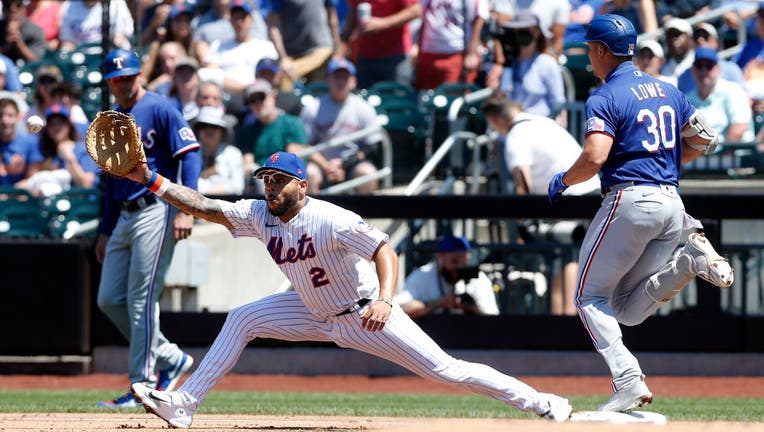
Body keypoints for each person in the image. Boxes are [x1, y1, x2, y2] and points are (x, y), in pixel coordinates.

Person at [123, 150, 573, 428]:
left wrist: (384, 299)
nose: (270, 187)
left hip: (361, 314)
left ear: (301, 184)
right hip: (311, 310)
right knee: (244, 317)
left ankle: (540, 401)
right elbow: (203, 205)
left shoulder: (330, 218)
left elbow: (385, 251)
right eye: (265, 179)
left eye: (278, 180)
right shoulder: (260, 214)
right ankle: (185, 403)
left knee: (447, 371)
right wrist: (149, 177)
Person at [547, 14, 734, 412]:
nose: (587, 58)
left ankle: (628, 380)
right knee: (624, 311)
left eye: (589, 50)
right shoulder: (668, 89)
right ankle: (688, 262)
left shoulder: (605, 95)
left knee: (586, 297)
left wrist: (564, 180)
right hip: (672, 206)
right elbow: (706, 138)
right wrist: (665, 159)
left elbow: (595, 155)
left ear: (600, 50)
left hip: (631, 200)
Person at [95, 48, 199, 408]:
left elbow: (190, 153)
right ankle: (170, 357)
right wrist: (105, 231)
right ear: (109, 82)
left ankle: (142, 385)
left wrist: (188, 208)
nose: (124, 83)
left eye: (129, 76)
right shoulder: (111, 119)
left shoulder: (160, 107)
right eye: (116, 79)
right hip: (123, 214)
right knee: (108, 299)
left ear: (139, 74)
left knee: (142, 301)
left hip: (157, 207)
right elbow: (109, 182)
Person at [482, 92, 599, 316]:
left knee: (564, 256)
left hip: (571, 197)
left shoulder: (516, 135)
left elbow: (522, 185)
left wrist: (522, 225)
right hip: (591, 191)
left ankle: (566, 319)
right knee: (571, 255)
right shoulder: (543, 121)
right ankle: (568, 317)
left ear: (496, 120)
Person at [300, 59, 381, 194]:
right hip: (321, 163)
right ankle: (312, 214)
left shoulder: (363, 108)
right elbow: (305, 144)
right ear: (328, 80)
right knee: (309, 174)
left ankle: (365, 214)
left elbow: (372, 146)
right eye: (336, 77)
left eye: (345, 77)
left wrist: (344, 164)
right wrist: (327, 166)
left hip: (352, 162)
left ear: (353, 81)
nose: (340, 81)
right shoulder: (313, 107)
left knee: (368, 172)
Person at [396, 235, 500, 318]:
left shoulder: (478, 278)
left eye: (464, 263)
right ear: (439, 257)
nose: (459, 268)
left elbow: (493, 317)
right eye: (454, 261)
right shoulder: (423, 275)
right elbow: (399, 311)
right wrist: (438, 303)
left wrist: (472, 307)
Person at [235, 79, 310, 193]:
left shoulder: (291, 123)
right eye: (252, 100)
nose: (257, 103)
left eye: (261, 97)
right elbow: (248, 161)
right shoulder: (247, 131)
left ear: (273, 96)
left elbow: (292, 161)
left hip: (286, 177)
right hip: (260, 179)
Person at [496, 11, 566, 118]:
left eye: (525, 30)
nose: (521, 34)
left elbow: (558, 102)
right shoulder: (508, 62)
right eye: (518, 30)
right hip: (511, 128)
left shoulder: (547, 63)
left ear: (537, 32)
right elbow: (500, 97)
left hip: (537, 126)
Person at [16, 104, 97, 197]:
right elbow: (34, 181)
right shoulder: (44, 152)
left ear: (69, 125)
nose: (56, 127)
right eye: (52, 123)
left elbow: (86, 185)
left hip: (80, 206)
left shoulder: (83, 149)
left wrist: (70, 158)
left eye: (61, 122)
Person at [337, 0, 420, 89]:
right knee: (364, 98)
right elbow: (353, 9)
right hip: (366, 56)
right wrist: (342, 43)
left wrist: (383, 24)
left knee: (397, 98)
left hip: (396, 56)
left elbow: (416, 10)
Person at [266, 0, 341, 91]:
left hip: (322, 51)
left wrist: (337, 50)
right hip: (292, 56)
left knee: (321, 92)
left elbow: (332, 16)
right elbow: (273, 25)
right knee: (285, 83)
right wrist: (283, 58)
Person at [686, 47, 755, 146]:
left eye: (709, 66)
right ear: (693, 70)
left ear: (718, 69)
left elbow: (739, 128)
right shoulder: (687, 99)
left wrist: (719, 156)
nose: (704, 71)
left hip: (736, 156)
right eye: (699, 66)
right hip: (702, 158)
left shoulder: (733, 90)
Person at [414, 0, 488, 90]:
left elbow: (479, 18)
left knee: (451, 97)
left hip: (456, 54)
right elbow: (424, 16)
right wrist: (419, 49)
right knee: (426, 97)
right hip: (429, 54)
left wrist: (472, 53)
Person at [194, 106, 244, 195]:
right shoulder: (190, 153)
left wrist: (206, 192)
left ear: (222, 131)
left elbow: (238, 186)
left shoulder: (233, 154)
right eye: (204, 126)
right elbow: (184, 185)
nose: (209, 130)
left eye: (214, 126)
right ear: (198, 131)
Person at [59, 0, 134, 51]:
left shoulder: (116, 3)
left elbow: (119, 38)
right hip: (82, 60)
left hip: (111, 55)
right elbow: (68, 42)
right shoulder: (68, 6)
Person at [0, 91, 36, 185]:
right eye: (1, 116)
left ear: (18, 117)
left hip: (20, 197)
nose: (5, 120)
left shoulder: (30, 144)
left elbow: (32, 179)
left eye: (10, 115)